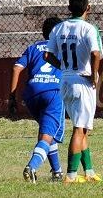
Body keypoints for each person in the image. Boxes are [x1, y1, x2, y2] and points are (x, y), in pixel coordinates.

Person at [44, 0, 103, 184]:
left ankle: (89, 172)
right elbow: (96, 54)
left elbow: (47, 55)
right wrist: (94, 75)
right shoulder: (88, 29)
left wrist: (62, 67)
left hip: (66, 80)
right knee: (79, 128)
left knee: (82, 127)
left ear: (69, 8)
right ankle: (70, 175)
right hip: (82, 81)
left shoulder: (58, 28)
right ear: (88, 8)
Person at [9, 16, 65, 183]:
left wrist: (12, 96)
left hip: (32, 93)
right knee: (47, 136)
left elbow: (16, 68)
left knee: (47, 132)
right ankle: (31, 167)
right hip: (53, 92)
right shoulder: (62, 47)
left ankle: (57, 172)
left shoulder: (33, 47)